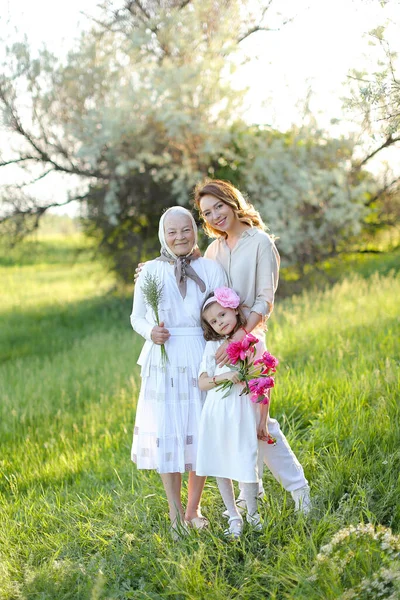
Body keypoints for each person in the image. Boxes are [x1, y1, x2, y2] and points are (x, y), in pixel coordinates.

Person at [193, 179, 311, 514]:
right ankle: (250, 495)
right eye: (207, 212)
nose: (215, 215)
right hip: (224, 341)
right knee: (237, 422)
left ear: (232, 202)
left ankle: (298, 489)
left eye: (219, 206)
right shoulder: (215, 250)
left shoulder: (260, 243)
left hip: (250, 340)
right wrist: (150, 271)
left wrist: (240, 339)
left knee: (260, 421)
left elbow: (265, 300)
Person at [130, 206, 226, 539]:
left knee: (200, 432)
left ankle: (193, 510)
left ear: (194, 231)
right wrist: (149, 333)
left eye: (185, 230)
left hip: (200, 353)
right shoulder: (150, 272)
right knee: (168, 434)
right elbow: (137, 317)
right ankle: (173, 513)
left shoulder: (210, 269)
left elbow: (223, 312)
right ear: (163, 235)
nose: (179, 237)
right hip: (164, 357)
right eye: (172, 232)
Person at [197, 287, 268, 538]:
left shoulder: (252, 341)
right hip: (217, 411)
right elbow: (202, 382)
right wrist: (224, 376)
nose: (220, 323)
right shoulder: (212, 348)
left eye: (222, 315)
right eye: (214, 322)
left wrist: (263, 419)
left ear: (235, 310)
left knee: (246, 460)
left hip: (242, 409)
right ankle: (234, 518)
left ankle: (253, 514)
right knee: (221, 462)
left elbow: (263, 380)